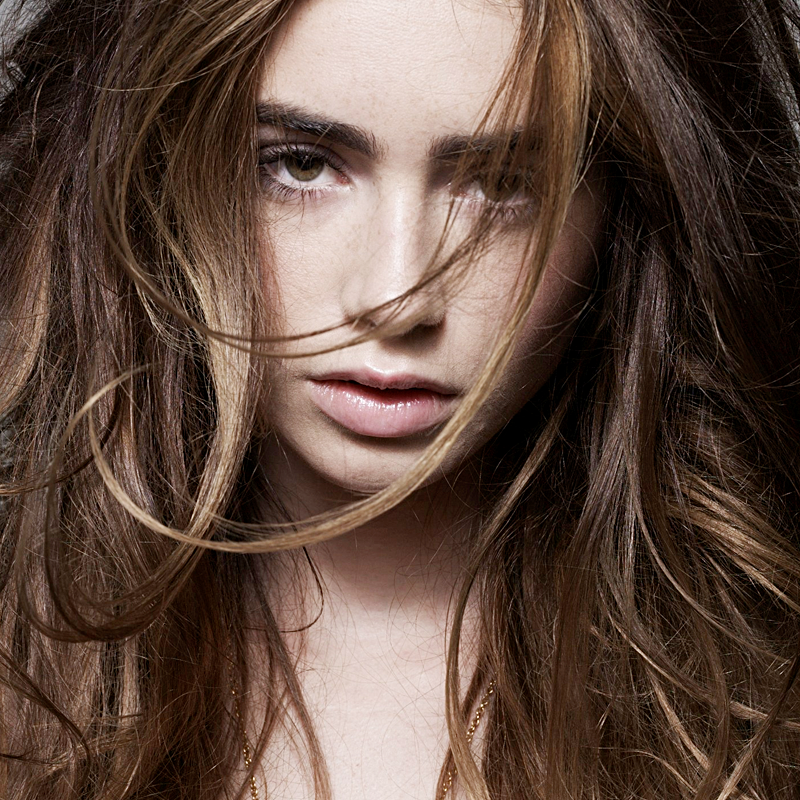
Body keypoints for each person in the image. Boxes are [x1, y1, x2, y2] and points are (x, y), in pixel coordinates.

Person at [1, 0, 799, 797]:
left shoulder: (765, 690)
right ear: (154, 167)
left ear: (624, 213)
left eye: (502, 184)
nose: (396, 297)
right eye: (300, 165)